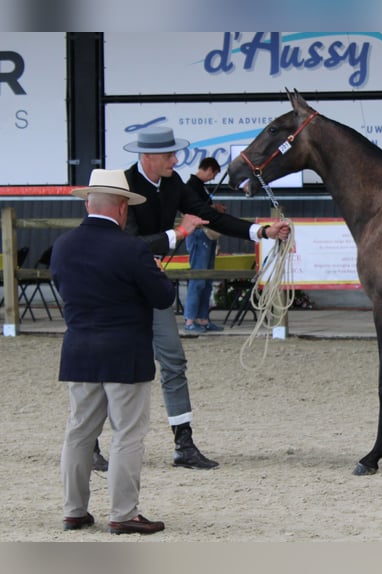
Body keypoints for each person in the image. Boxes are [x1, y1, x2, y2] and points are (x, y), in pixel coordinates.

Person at [122, 126, 291, 469]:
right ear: (147, 157)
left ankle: (183, 443)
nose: (175, 159)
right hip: (121, 290)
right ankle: (92, 441)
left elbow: (212, 216)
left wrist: (262, 232)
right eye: (169, 155)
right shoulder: (123, 187)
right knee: (114, 366)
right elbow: (129, 246)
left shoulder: (173, 185)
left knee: (174, 361)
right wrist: (178, 233)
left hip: (152, 286)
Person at [52, 169, 174, 535]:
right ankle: (123, 513)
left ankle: (74, 510)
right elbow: (163, 297)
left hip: (79, 349)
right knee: (127, 434)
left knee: (79, 433)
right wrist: (156, 272)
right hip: (125, 352)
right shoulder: (132, 248)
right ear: (122, 208)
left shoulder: (63, 245)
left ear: (89, 203)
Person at [183, 157, 225, 333]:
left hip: (206, 235)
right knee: (198, 278)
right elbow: (196, 210)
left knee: (207, 279)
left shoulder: (199, 187)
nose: (213, 177)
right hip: (199, 234)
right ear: (207, 169)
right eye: (213, 173)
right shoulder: (191, 186)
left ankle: (202, 318)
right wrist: (214, 210)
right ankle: (190, 320)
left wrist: (214, 209)